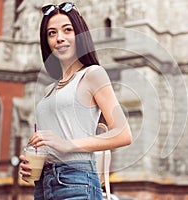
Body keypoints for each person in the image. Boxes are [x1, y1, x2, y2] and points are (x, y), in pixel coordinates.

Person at [19, 2, 132, 199]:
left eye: (67, 30)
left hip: (77, 180)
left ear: (79, 35)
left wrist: (67, 144)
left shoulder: (93, 74)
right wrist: (32, 163)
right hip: (44, 184)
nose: (59, 38)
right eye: (51, 33)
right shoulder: (49, 89)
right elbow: (53, 140)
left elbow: (123, 134)